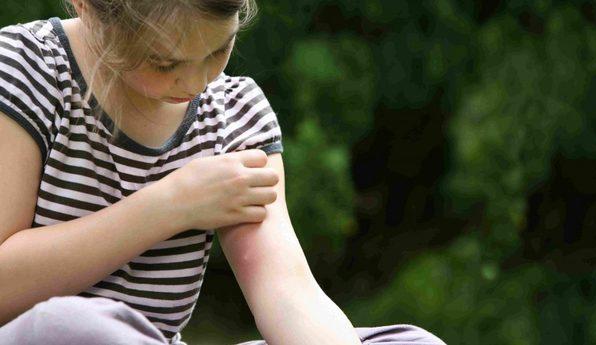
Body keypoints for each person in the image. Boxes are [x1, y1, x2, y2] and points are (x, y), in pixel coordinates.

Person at [0, 1, 446, 344]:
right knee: (74, 327)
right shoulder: (25, 69)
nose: (197, 82)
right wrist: (170, 205)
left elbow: (287, 292)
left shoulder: (235, 115)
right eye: (164, 63)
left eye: (218, 49)